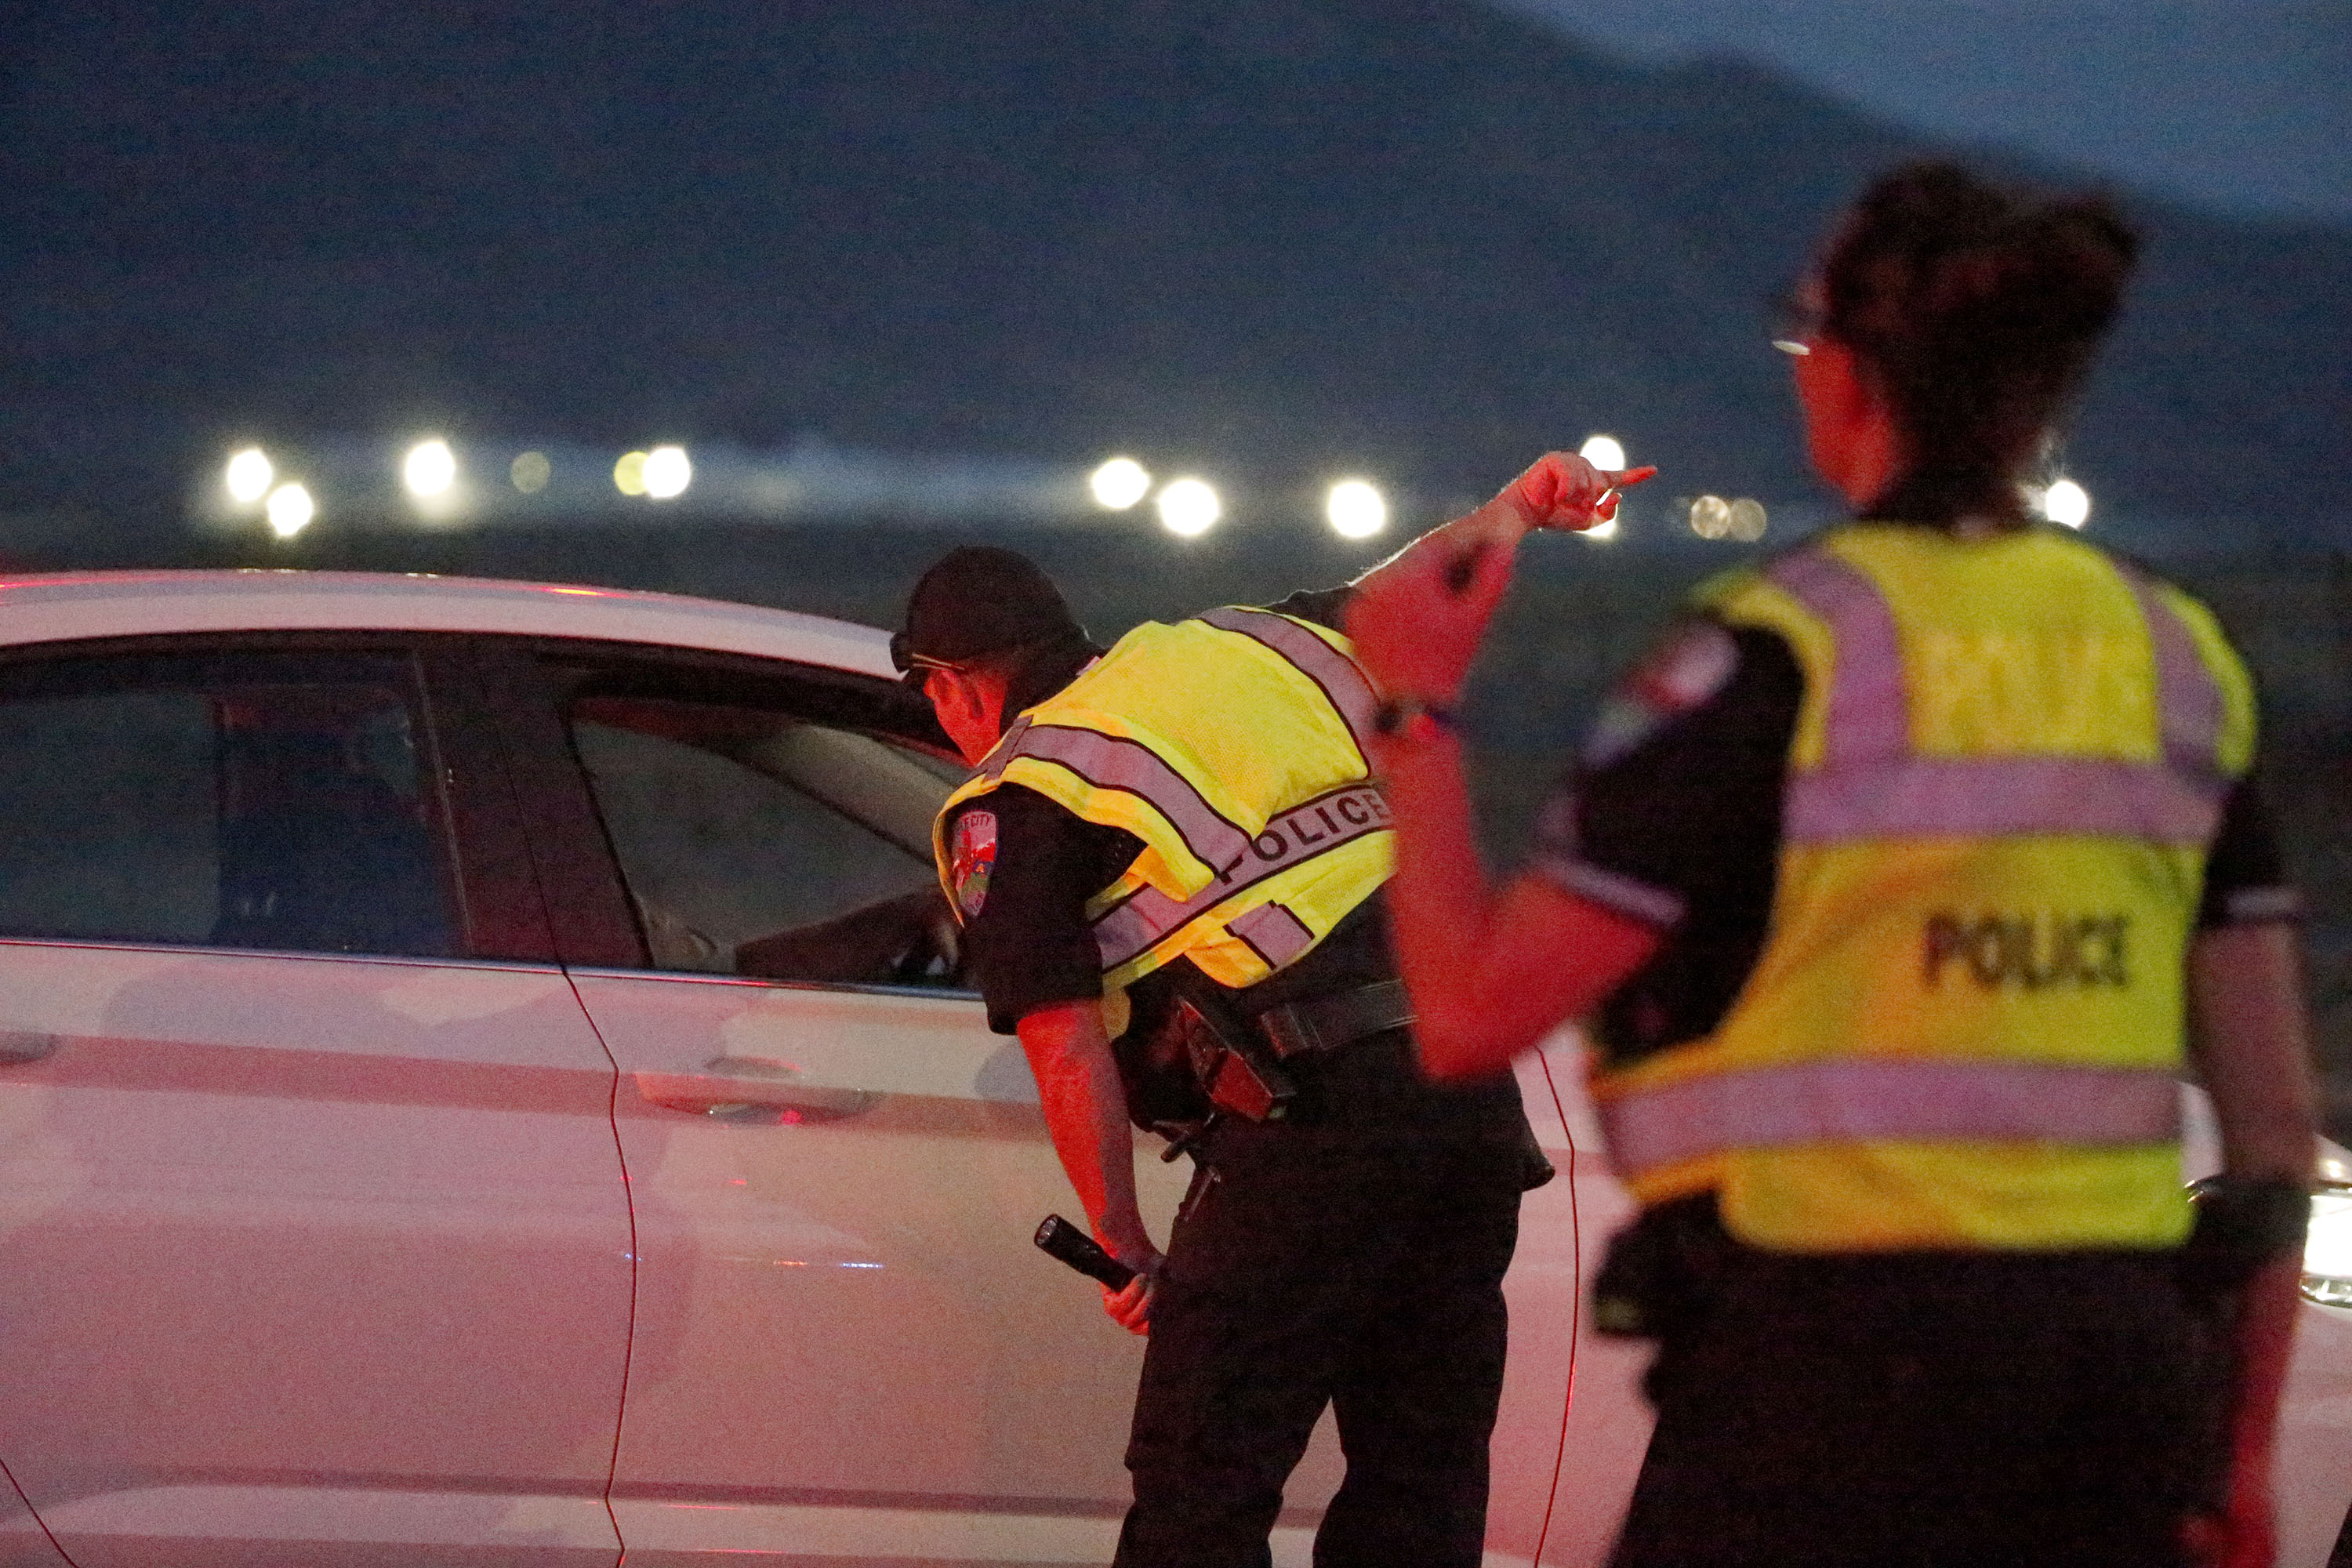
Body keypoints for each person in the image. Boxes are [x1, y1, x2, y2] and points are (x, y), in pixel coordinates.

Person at [1345, 161, 2318, 1568]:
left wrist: (1414, 712)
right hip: (2115, 1387)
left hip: (1829, 1386)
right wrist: (2235, 1458)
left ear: (1849, 376)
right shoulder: (2176, 655)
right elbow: (2274, 1137)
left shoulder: (1774, 653)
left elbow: (1468, 1016)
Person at [892, 535, 1614, 1568]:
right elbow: (1407, 586)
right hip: (1467, 1111)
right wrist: (1529, 503)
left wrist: (1123, 1238)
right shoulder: (1235, 653)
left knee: (1203, 1479)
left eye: (929, 695)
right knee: (1422, 1471)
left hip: (1312, 1125)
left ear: (957, 686)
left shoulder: (1030, 787)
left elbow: (1062, 1043)